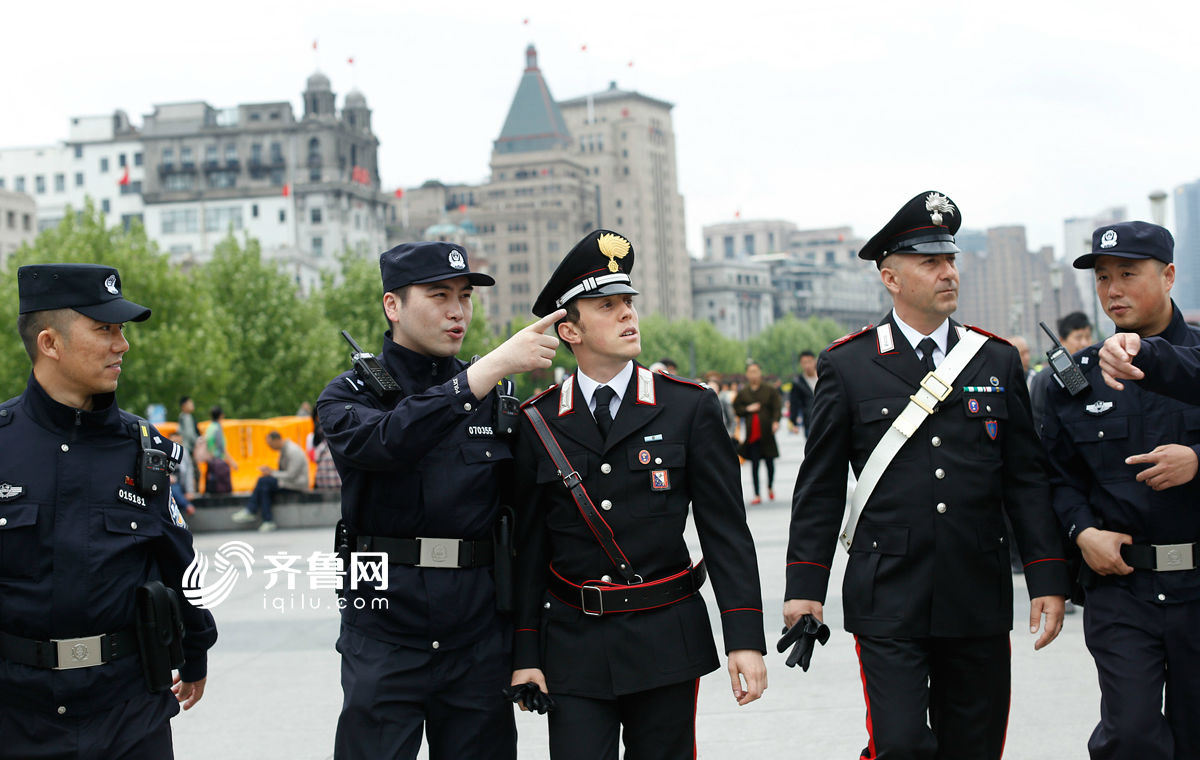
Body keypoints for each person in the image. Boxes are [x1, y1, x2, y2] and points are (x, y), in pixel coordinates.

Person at [784, 191, 1069, 760]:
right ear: (891, 278)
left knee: (975, 746)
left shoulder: (995, 359)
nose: (948, 273)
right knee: (902, 745)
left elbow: (1025, 479)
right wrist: (804, 590)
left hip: (976, 587)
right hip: (888, 590)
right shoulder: (848, 363)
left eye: (952, 260)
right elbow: (818, 489)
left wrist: (1047, 574)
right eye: (930, 262)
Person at [509, 229, 767, 760]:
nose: (628, 315)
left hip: (665, 635)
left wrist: (743, 636)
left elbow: (726, 532)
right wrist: (525, 650)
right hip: (574, 644)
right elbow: (529, 549)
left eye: (628, 302)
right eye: (607, 306)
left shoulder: (689, 408)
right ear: (569, 330)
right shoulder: (538, 423)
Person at [317, 240, 562, 760]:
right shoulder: (348, 396)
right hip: (382, 628)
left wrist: (526, 644)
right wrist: (481, 375)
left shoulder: (496, 400)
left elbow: (525, 525)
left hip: (476, 634)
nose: (458, 310)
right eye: (439, 295)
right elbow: (387, 442)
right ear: (393, 306)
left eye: (465, 296)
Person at [0, 263, 217, 758]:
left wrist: (197, 649)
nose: (122, 345)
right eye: (104, 330)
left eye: (121, 330)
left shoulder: (145, 449)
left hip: (128, 711)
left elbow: (178, 562)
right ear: (50, 343)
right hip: (17, 716)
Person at [1042, 221, 1200, 759]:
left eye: (1128, 274)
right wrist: (1081, 531)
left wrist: (1199, 461)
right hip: (1123, 591)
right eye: (1104, 277)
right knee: (1131, 735)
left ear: (1169, 276)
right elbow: (1058, 478)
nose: (1113, 289)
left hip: (1198, 586)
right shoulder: (1073, 382)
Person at [230, 430, 307, 532]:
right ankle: (266, 520)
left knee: (264, 481)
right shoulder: (285, 450)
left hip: (296, 484)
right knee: (264, 486)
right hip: (288, 482)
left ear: (277, 440)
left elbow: (291, 475)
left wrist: (271, 473)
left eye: (270, 444)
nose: (270, 447)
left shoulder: (293, 451)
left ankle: (252, 511)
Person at [1029, 311, 1093, 429]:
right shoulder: (1044, 378)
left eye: (1088, 337)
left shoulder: (1096, 370)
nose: (1084, 343)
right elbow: (1036, 418)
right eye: (1078, 337)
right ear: (1062, 340)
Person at [734, 361, 783, 504]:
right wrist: (748, 409)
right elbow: (737, 408)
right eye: (750, 372)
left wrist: (776, 421)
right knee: (754, 464)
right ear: (747, 374)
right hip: (752, 434)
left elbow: (777, 407)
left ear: (760, 372)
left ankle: (770, 486)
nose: (753, 374)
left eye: (755, 371)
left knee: (769, 462)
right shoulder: (743, 393)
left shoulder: (769, 390)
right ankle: (756, 493)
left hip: (767, 432)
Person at [203, 405, 236, 494]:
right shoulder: (217, 428)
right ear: (221, 415)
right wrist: (232, 461)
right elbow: (221, 447)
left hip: (210, 460)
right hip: (218, 460)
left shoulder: (209, 427)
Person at [788, 350, 818, 435]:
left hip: (827, 419)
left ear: (814, 361)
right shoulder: (798, 383)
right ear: (801, 364)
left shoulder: (823, 378)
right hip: (809, 421)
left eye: (809, 362)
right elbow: (794, 403)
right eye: (804, 362)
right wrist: (794, 423)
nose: (807, 365)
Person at [177, 395, 200, 486]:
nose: (192, 405)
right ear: (184, 405)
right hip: (189, 449)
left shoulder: (181, 416)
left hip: (185, 448)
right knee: (192, 472)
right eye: (190, 403)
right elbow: (190, 434)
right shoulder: (187, 417)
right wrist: (198, 441)